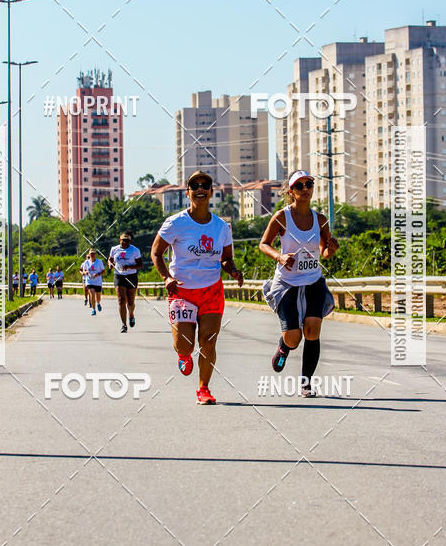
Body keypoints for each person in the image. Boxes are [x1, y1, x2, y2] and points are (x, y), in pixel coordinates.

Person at [151, 170, 243, 405]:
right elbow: (156, 253)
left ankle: (204, 388)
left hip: (211, 289)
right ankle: (183, 355)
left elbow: (226, 258)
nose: (200, 189)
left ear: (211, 192)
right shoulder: (176, 223)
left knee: (209, 341)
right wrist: (166, 278)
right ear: (188, 193)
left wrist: (232, 270)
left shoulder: (222, 227)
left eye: (205, 185)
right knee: (184, 344)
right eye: (195, 186)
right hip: (181, 290)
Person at [259, 170, 338, 397]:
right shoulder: (281, 217)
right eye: (300, 185)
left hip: (313, 280)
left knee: (312, 329)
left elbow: (324, 252)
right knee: (294, 336)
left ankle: (306, 383)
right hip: (287, 282)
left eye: (309, 184)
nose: (305, 189)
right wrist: (280, 257)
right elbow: (264, 244)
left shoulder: (320, 220)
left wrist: (330, 250)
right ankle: (285, 347)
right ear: (291, 191)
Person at [108, 231, 143, 333]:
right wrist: (110, 264)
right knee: (121, 300)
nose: (125, 243)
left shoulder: (135, 250)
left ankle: (131, 315)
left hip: (131, 276)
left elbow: (140, 265)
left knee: (130, 301)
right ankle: (124, 325)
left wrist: (129, 267)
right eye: (123, 241)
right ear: (120, 240)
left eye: (127, 241)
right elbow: (110, 259)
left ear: (130, 241)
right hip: (119, 276)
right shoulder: (114, 249)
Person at [82, 249, 104, 316]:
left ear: (96, 254)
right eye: (91, 254)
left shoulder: (99, 262)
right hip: (89, 281)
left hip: (97, 282)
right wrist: (86, 272)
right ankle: (93, 309)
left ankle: (98, 303)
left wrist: (97, 274)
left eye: (93, 253)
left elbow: (103, 271)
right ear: (89, 255)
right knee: (92, 294)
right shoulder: (86, 262)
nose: (92, 255)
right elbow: (83, 271)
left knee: (98, 296)